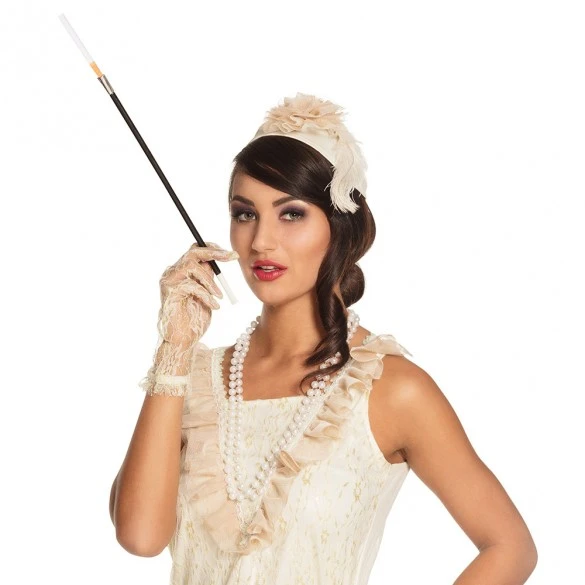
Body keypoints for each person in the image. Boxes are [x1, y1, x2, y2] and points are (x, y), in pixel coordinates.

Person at [109, 93, 538, 584]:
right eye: (245, 213)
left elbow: (510, 547)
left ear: (339, 226)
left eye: (291, 213)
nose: (261, 241)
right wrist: (174, 348)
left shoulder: (390, 389)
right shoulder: (192, 381)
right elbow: (140, 537)